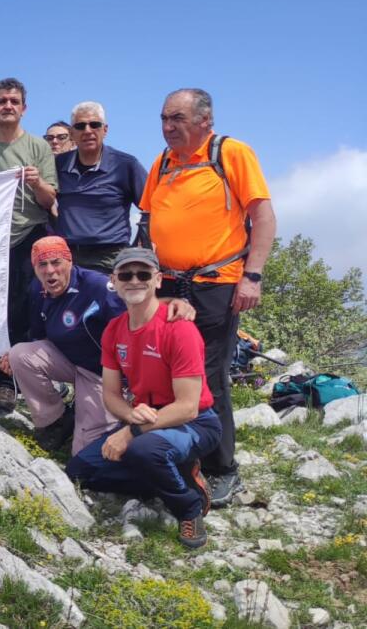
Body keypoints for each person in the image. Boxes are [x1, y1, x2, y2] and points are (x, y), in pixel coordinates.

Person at [140, 88, 276, 507]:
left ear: (205, 120)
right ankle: (179, 459)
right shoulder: (162, 163)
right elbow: (146, 223)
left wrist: (252, 276)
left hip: (217, 284)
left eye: (176, 119)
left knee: (208, 377)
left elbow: (263, 217)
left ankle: (223, 470)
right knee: (166, 373)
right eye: (164, 118)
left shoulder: (231, 154)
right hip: (167, 284)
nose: (167, 127)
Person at [67, 248, 219, 549]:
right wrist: (129, 415)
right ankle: (174, 475)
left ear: (158, 280)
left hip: (195, 423)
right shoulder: (115, 329)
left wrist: (130, 432)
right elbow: (110, 393)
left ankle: (188, 506)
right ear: (114, 281)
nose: (134, 280)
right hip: (144, 416)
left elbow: (187, 407)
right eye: (125, 275)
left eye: (143, 274)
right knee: (81, 471)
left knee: (143, 449)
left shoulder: (180, 329)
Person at [1, 237, 195, 454]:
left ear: (70, 262)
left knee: (84, 451)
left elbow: (139, 305)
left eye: (56, 262)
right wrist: (13, 357)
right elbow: (39, 336)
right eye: (42, 265)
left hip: (101, 373)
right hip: (68, 359)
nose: (50, 271)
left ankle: (106, 419)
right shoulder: (37, 289)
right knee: (19, 354)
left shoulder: (96, 287)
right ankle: (54, 422)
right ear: (34, 268)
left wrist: (173, 302)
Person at [0, 77, 58, 414]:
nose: (7, 106)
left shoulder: (38, 148)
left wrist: (38, 183)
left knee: (20, 312)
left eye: (14, 101)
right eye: (2, 101)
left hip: (25, 236)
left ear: (23, 108)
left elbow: (50, 201)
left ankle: (9, 384)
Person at [54, 102, 148, 274]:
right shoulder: (57, 165)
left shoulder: (126, 165)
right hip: (68, 260)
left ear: (105, 130)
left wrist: (139, 248)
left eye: (94, 125)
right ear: (72, 133)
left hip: (111, 259)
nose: (88, 131)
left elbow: (152, 208)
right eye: (80, 126)